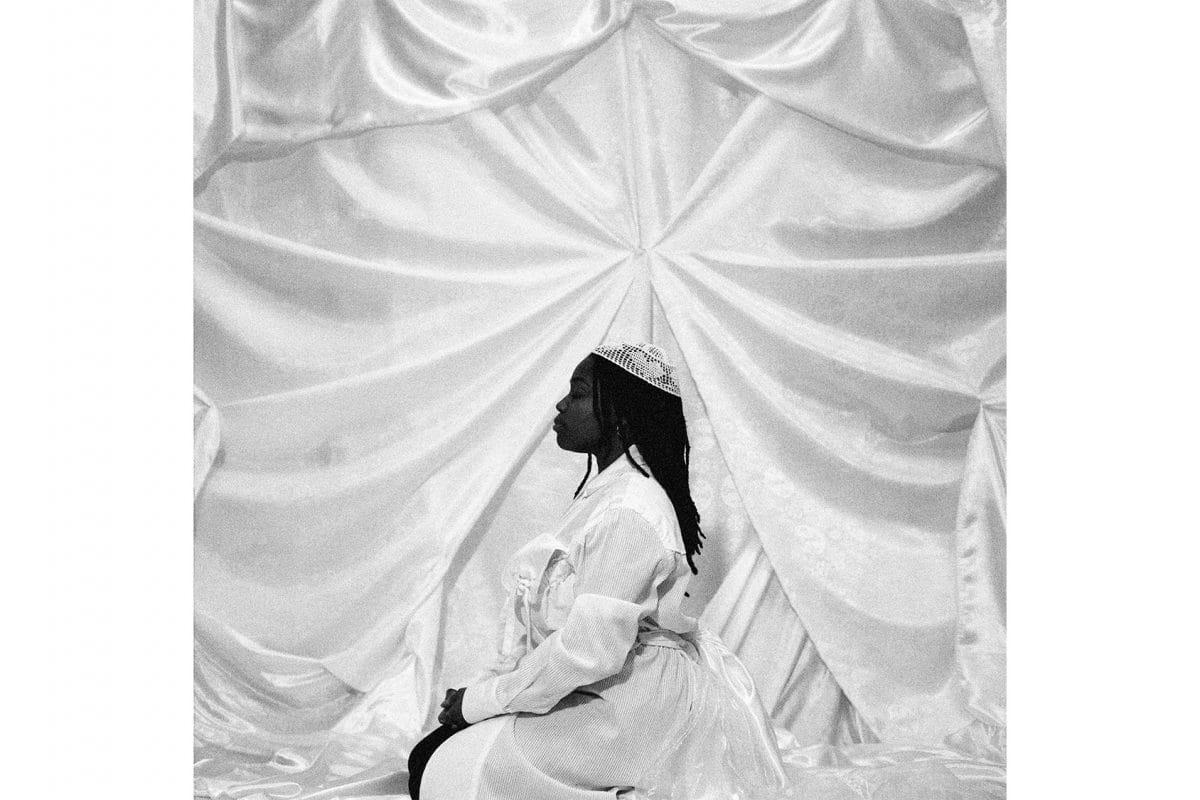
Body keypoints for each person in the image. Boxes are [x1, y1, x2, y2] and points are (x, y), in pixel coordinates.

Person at [408, 342, 789, 800]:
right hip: (600, 688)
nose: (562, 404)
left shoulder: (630, 509)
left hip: (628, 708)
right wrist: (485, 692)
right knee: (431, 759)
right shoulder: (605, 495)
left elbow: (588, 650)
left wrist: (480, 702)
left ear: (620, 412)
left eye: (579, 392)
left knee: (438, 769)